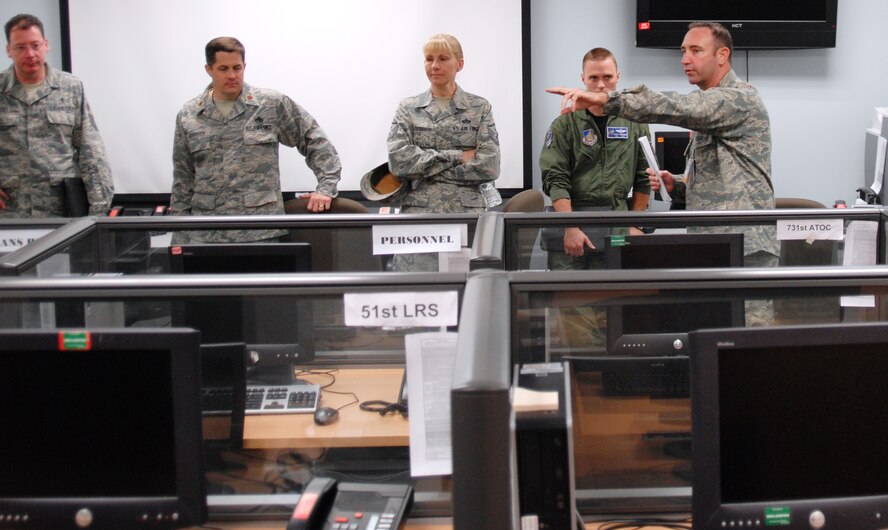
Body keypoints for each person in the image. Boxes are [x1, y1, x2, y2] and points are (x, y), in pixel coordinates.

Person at [546, 22, 779, 267]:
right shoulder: (565, 125)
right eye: (683, 51)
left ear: (722, 55)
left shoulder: (738, 98)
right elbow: (723, 187)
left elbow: (677, 106)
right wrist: (677, 186)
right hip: (716, 242)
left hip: (745, 248)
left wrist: (607, 100)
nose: (685, 59)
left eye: (695, 51)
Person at [171, 36, 341, 243]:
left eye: (237, 67)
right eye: (223, 69)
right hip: (207, 231)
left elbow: (315, 140)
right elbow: (183, 177)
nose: (232, 75)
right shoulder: (190, 114)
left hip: (261, 230)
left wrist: (325, 188)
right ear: (209, 69)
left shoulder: (270, 104)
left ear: (245, 66)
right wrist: (178, 232)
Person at [387, 33, 501, 271]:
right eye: (429, 59)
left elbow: (489, 166)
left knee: (466, 294)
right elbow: (399, 162)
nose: (435, 66)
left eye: (443, 58)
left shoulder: (479, 107)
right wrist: (457, 156)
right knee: (415, 294)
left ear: (459, 64)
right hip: (419, 216)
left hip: (466, 215)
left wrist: (425, 170)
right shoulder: (408, 108)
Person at [540, 47, 651, 270]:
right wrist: (570, 227)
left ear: (618, 77)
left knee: (616, 298)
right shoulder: (564, 124)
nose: (601, 85)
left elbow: (644, 178)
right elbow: (555, 179)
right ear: (583, 79)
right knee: (573, 300)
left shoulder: (634, 123)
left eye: (607, 77)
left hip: (617, 224)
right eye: (594, 78)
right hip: (573, 221)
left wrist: (634, 224)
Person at [0, 13, 113, 218]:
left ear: (46, 45)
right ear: (9, 50)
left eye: (35, 45)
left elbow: (91, 151)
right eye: (20, 47)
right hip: (10, 213)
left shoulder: (70, 88)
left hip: (60, 213)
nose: (30, 54)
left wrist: (99, 210)